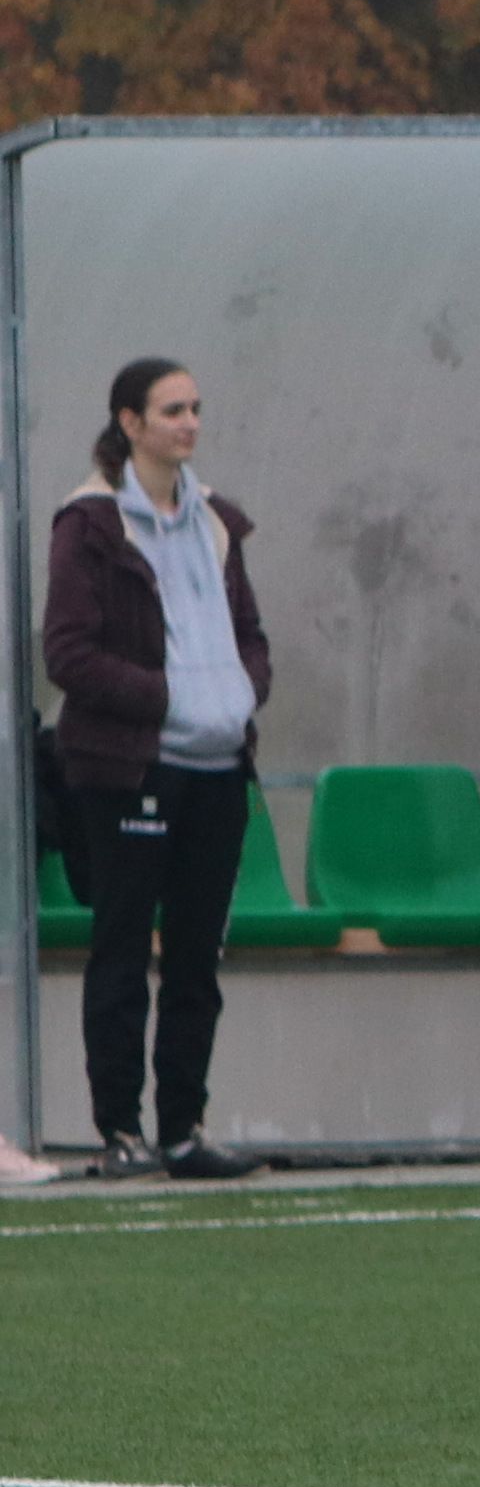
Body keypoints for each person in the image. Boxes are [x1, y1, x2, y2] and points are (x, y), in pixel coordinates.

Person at [41, 357, 269, 1181]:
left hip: (218, 769)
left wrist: (241, 691)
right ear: (130, 423)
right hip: (132, 770)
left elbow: (250, 635)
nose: (190, 423)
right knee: (122, 949)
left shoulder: (216, 522)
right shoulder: (91, 526)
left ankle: (184, 1129)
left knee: (197, 958)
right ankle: (121, 1132)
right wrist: (167, 697)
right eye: (173, 410)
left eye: (196, 408)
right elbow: (68, 653)